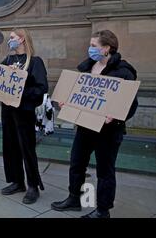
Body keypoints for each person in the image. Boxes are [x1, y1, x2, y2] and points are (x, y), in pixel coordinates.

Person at [51, 30, 138, 218]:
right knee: (76, 163)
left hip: (108, 132)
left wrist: (115, 116)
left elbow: (130, 104)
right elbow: (80, 95)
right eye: (90, 45)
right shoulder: (87, 67)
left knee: (105, 171)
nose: (89, 49)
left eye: (93, 46)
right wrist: (67, 102)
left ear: (107, 48)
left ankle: (102, 210)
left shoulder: (123, 72)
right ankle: (74, 198)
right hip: (84, 127)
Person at [0, 28, 48, 205]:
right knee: (10, 146)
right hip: (7, 111)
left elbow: (41, 88)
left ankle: (33, 185)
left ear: (22, 40)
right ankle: (17, 181)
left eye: (12, 38)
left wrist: (21, 88)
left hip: (24, 112)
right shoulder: (8, 60)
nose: (9, 40)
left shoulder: (35, 62)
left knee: (26, 148)